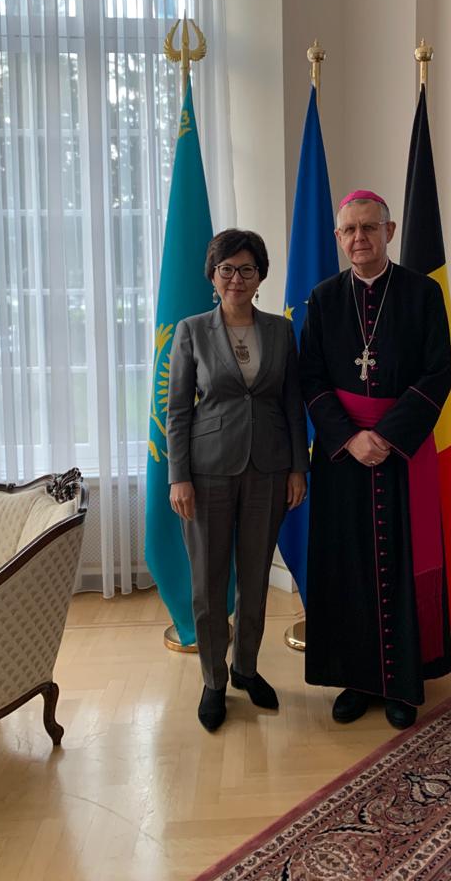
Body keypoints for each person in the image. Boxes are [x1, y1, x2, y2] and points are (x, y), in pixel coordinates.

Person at [299, 190, 451, 730]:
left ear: (389, 231)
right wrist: (349, 438)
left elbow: (438, 374)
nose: (358, 238)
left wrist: (385, 437)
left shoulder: (422, 293)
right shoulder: (323, 298)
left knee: (402, 563)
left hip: (402, 451)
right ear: (339, 238)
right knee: (346, 565)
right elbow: (311, 378)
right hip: (343, 457)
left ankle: (401, 684)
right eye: (349, 231)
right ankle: (355, 678)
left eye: (369, 228)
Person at [167, 229, 309, 732]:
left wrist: (298, 466)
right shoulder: (191, 331)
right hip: (206, 474)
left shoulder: (280, 331)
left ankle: (246, 668)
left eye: (246, 269)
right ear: (213, 275)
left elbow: (293, 403)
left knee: (254, 579)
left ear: (259, 277)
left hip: (269, 469)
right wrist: (178, 476)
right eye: (226, 269)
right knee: (208, 582)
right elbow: (179, 409)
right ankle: (213, 680)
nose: (236, 278)